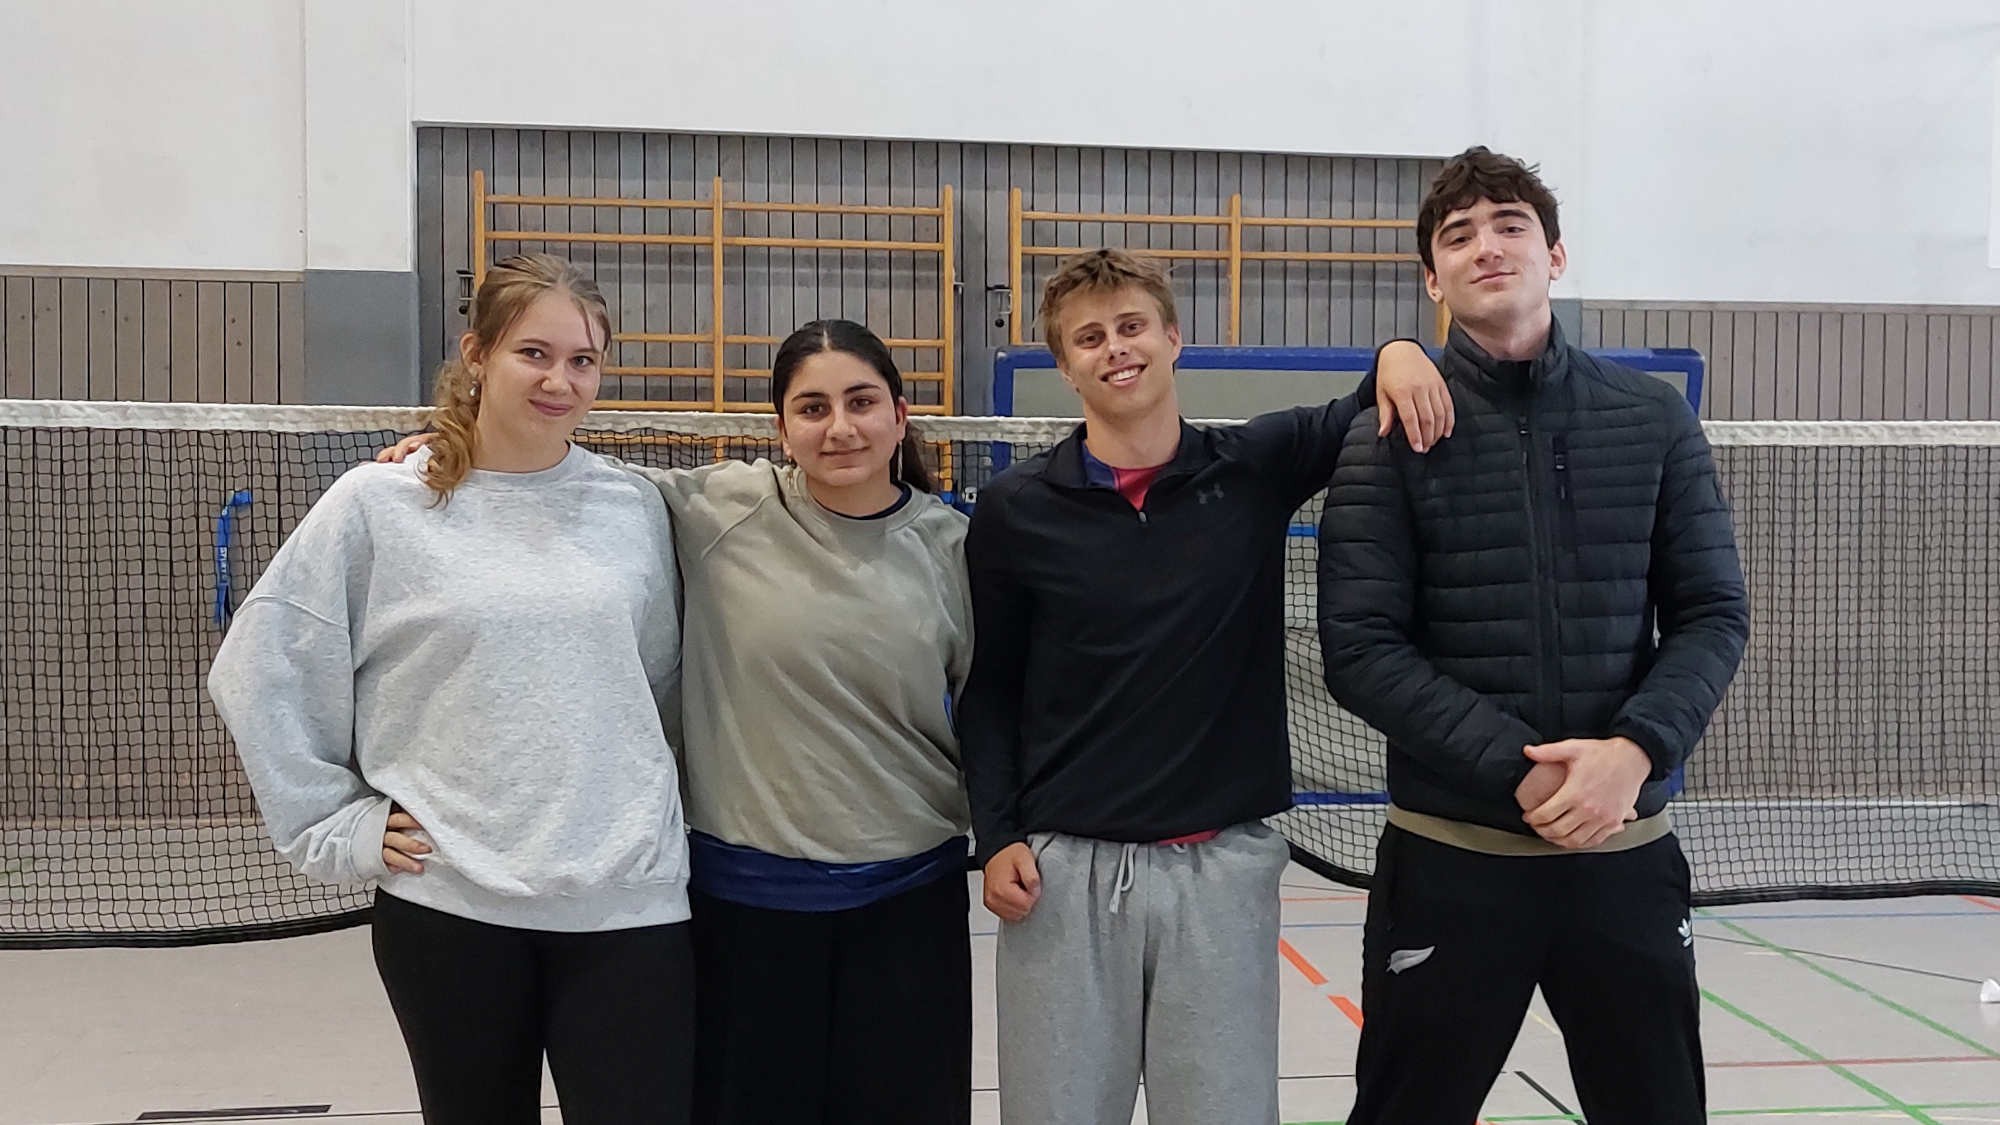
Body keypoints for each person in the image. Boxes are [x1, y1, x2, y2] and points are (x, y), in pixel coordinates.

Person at [383, 317, 974, 1125]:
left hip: (910, 900)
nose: (840, 427)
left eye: (862, 401)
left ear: (900, 415)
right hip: (748, 906)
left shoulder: (954, 549)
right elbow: (564, 481)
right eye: (812, 407)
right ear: (781, 428)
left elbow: (990, 709)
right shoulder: (720, 510)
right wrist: (464, 445)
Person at [955, 246, 1454, 1125]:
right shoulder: (1015, 511)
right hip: (1066, 878)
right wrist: (996, 835)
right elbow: (991, 690)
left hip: (1219, 874)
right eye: (1090, 336)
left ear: (1173, 337)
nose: (1116, 347)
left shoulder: (1253, 466)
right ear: (1065, 364)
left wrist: (1400, 350)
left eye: (1132, 325)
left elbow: (1366, 400)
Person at [1317, 146, 1750, 1123]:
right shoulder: (1383, 437)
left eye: (1509, 224)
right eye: (1457, 235)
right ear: (1431, 279)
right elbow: (1359, 647)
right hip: (1449, 862)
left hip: (1623, 856)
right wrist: (1519, 771)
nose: (1486, 246)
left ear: (1553, 256)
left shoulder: (1649, 420)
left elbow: (1711, 613)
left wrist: (1631, 753)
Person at [209, 253, 694, 1125]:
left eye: (582, 359)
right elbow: (262, 663)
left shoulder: (637, 507)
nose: (560, 379)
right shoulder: (380, 503)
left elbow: (660, 685)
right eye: (533, 353)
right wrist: (332, 822)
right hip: (449, 905)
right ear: (477, 354)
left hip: (630, 901)